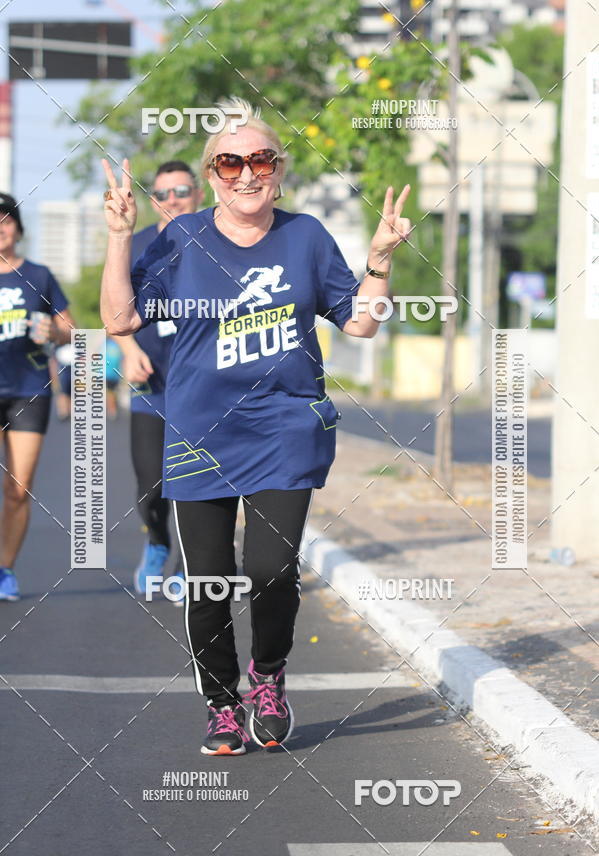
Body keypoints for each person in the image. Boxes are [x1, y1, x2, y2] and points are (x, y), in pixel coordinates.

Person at [100, 97, 411, 756]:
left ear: (280, 168)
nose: (247, 173)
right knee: (209, 578)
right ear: (213, 173)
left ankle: (267, 676)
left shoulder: (305, 237)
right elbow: (122, 320)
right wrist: (120, 236)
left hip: (283, 428)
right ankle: (220, 703)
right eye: (231, 162)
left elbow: (359, 321)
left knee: (271, 570)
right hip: (199, 432)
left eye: (260, 159)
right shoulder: (180, 240)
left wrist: (380, 257)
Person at [112, 161, 203, 597]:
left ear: (199, 193)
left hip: (205, 390)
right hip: (152, 387)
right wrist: (128, 350)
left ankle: (190, 564)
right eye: (164, 193)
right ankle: (156, 542)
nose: (173, 200)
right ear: (153, 201)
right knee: (151, 484)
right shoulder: (141, 243)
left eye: (182, 190)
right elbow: (111, 306)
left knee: (198, 484)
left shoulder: (220, 240)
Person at [0, 192, 75, 601]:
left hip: (28, 391)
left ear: (18, 227)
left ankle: (5, 569)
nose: (0, 227)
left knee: (17, 488)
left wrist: (56, 332)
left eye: (6, 219)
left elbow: (71, 328)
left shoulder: (39, 275)